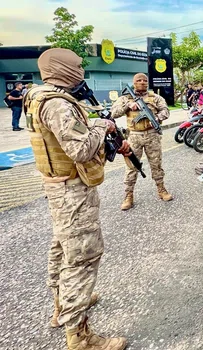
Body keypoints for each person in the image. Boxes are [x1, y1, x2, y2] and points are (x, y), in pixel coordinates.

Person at [24, 48, 128, 350]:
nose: (81, 70)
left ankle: (62, 305)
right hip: (72, 191)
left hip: (58, 185)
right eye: (78, 66)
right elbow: (81, 150)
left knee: (62, 245)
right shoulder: (57, 104)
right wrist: (101, 125)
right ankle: (80, 336)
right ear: (62, 68)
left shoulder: (37, 96)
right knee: (83, 257)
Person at [110, 73, 173, 210]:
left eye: (145, 80)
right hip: (134, 136)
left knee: (156, 164)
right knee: (132, 166)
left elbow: (166, 111)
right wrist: (128, 106)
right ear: (133, 83)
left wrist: (156, 118)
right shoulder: (125, 98)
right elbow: (113, 113)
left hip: (152, 136)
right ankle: (128, 195)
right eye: (139, 80)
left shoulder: (155, 97)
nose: (142, 82)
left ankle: (161, 189)